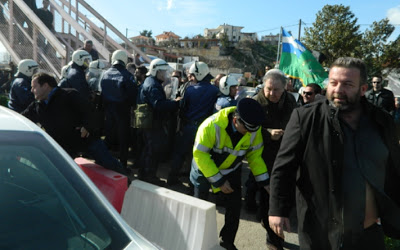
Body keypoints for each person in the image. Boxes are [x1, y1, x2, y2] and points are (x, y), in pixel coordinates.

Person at [269, 57, 400, 249]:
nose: (338, 90)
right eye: (333, 83)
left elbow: (394, 166)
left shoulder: (382, 121)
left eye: (347, 84)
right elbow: (283, 167)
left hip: (368, 233)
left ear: (363, 89)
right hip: (321, 233)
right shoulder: (305, 118)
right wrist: (277, 210)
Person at [190, 98, 269, 250]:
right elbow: (200, 154)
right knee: (200, 208)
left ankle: (227, 242)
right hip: (204, 172)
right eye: (246, 129)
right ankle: (196, 241)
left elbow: (254, 157)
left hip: (231, 171)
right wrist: (218, 181)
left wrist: (265, 181)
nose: (249, 134)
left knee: (234, 208)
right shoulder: (211, 125)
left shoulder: (253, 129)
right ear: (235, 120)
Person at [21, 72, 126, 174]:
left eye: (34, 87)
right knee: (62, 174)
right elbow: (21, 118)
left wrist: (87, 127)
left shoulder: (69, 95)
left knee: (110, 165)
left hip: (86, 140)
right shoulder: (37, 106)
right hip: (63, 147)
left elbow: (90, 111)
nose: (31, 90)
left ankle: (128, 185)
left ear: (45, 86)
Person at [245, 69, 297, 249]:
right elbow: (247, 129)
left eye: (277, 90)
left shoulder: (290, 100)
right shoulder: (254, 103)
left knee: (274, 193)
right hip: (260, 154)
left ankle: (272, 234)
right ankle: (273, 238)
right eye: (269, 89)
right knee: (264, 189)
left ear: (285, 88)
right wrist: (267, 133)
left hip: (284, 153)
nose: (272, 94)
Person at [167, 61, 219, 185]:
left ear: (198, 75)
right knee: (200, 156)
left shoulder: (190, 90)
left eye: (192, 75)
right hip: (205, 130)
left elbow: (183, 109)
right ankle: (194, 184)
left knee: (179, 154)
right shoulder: (215, 91)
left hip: (188, 127)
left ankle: (172, 178)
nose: (190, 78)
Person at [136, 58, 181, 184]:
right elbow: (159, 105)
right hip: (153, 123)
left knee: (147, 149)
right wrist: (175, 103)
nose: (166, 75)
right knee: (153, 150)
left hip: (148, 121)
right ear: (157, 71)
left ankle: (143, 174)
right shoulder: (153, 85)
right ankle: (150, 177)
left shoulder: (149, 81)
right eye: (164, 72)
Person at [100, 50, 137, 169]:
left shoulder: (105, 74)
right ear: (124, 60)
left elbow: (101, 93)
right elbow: (133, 95)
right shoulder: (127, 75)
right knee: (123, 139)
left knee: (108, 137)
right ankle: (122, 165)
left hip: (108, 110)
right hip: (123, 111)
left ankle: (103, 161)